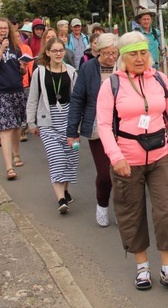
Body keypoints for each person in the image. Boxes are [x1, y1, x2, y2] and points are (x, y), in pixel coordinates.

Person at [96, 32, 168, 294]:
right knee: (131, 213)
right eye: (132, 54)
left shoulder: (160, 79)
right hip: (127, 160)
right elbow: (104, 125)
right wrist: (116, 158)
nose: (139, 59)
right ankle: (142, 267)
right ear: (122, 57)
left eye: (142, 53)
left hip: (160, 155)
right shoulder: (111, 85)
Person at [67, 33, 119, 226]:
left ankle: (123, 209)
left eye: (114, 53)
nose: (111, 57)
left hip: (122, 127)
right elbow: (78, 99)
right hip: (98, 127)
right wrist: (72, 132)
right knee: (105, 174)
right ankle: (102, 204)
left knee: (123, 173)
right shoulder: (88, 68)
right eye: (107, 53)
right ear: (98, 51)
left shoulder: (122, 66)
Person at [27, 37, 79, 214]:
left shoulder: (71, 71)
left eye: (61, 50)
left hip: (68, 120)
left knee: (69, 159)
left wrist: (78, 122)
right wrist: (31, 122)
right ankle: (61, 199)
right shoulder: (40, 72)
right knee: (57, 159)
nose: (58, 54)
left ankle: (64, 189)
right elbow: (33, 98)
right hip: (47, 120)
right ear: (47, 52)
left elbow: (78, 99)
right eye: (54, 50)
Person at [0, 18, 28, 181]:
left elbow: (18, 70)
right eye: (0, 28)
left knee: (16, 125)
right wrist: (1, 50)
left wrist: (23, 68)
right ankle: (8, 167)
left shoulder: (15, 46)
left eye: (5, 28)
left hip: (16, 89)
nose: (3, 31)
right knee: (5, 128)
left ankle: (16, 154)